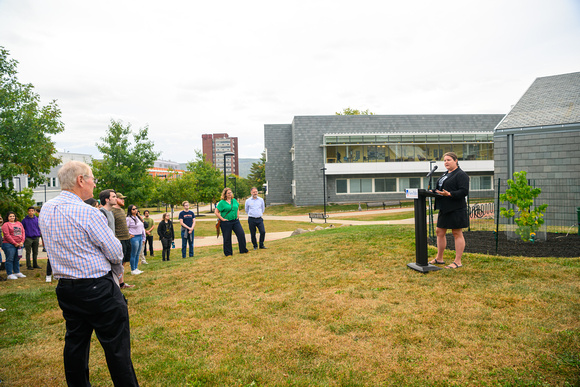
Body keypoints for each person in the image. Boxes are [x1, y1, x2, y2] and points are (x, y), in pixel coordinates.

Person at [38, 160, 139, 386]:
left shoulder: (46, 209)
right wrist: (116, 273)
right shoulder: (88, 213)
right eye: (92, 179)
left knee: (75, 345)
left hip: (66, 288)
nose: (94, 185)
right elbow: (114, 251)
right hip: (97, 289)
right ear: (80, 180)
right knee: (117, 349)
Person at [429, 152, 470, 269]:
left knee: (457, 233)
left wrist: (450, 194)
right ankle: (439, 258)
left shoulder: (461, 175)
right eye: (445, 160)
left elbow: (464, 191)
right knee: (439, 232)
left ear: (455, 160)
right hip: (444, 208)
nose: (446, 162)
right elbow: (441, 189)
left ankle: (458, 261)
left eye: (449, 160)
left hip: (456, 208)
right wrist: (433, 191)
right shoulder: (445, 174)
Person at [215, 187, 249, 257]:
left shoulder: (234, 200)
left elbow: (237, 208)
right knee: (227, 237)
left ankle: (243, 250)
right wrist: (222, 219)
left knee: (241, 234)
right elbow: (216, 212)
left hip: (235, 221)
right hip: (226, 222)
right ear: (225, 194)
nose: (230, 194)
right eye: (228, 193)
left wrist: (238, 216)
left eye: (231, 192)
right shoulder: (222, 202)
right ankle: (228, 253)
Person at [112, 192, 134, 289]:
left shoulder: (121, 210)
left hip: (127, 238)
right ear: (116, 199)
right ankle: (117, 283)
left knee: (125, 261)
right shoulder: (112, 211)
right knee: (119, 263)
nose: (123, 200)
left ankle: (121, 282)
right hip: (119, 240)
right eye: (121, 199)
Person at [1, 211, 26, 280]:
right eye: (10, 216)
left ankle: (17, 272)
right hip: (9, 245)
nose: (12, 217)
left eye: (13, 216)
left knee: (17, 259)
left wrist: (22, 242)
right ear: (8, 217)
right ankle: (9, 274)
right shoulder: (6, 225)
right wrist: (14, 243)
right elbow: (7, 235)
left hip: (19, 244)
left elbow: (23, 232)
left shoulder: (19, 223)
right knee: (10, 259)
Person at [126, 205, 145, 275]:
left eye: (136, 209)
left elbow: (142, 227)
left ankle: (136, 268)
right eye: (133, 209)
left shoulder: (138, 217)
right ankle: (133, 269)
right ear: (130, 210)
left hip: (140, 236)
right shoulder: (128, 218)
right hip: (134, 237)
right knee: (133, 253)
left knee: (138, 253)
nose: (135, 210)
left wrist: (143, 237)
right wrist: (129, 235)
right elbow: (126, 227)